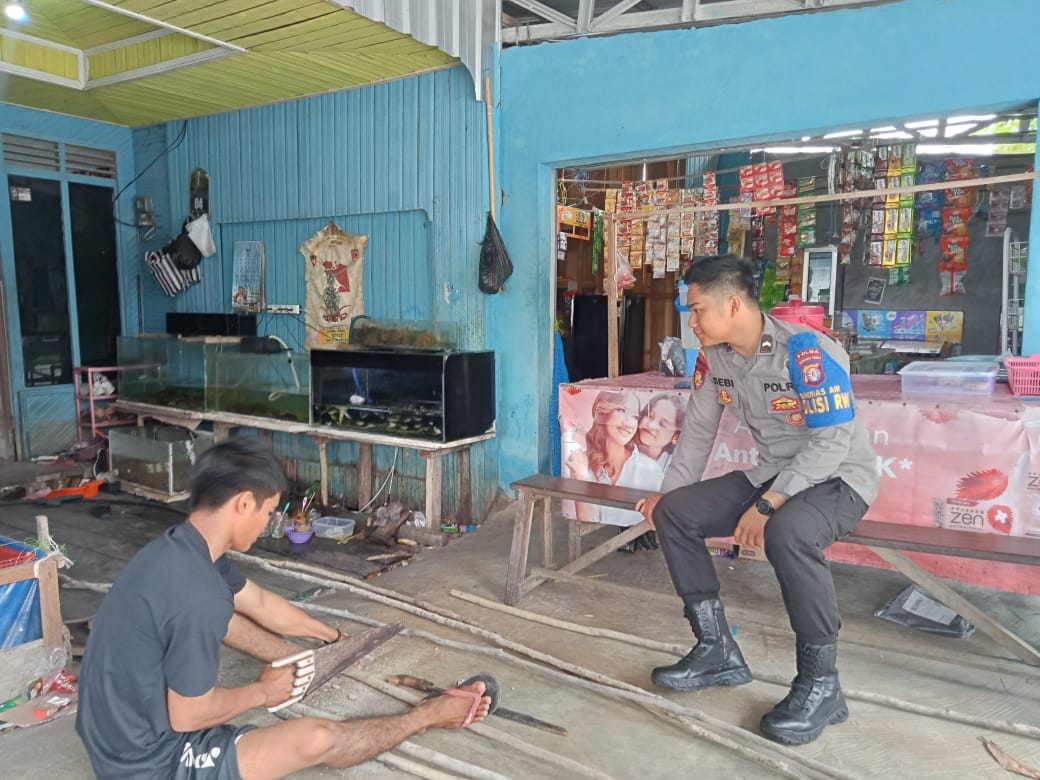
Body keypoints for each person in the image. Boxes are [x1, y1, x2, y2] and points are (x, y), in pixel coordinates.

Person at [76, 439, 492, 779]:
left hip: (108, 732)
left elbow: (255, 601)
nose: (270, 522)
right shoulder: (196, 596)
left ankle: (305, 659)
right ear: (243, 503)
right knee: (315, 739)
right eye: (269, 511)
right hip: (146, 763)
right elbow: (188, 716)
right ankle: (430, 714)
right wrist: (262, 692)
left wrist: (327, 639)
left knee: (225, 615)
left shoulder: (181, 549)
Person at [636, 255, 878, 746]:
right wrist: (666, 495)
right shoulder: (716, 357)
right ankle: (716, 651)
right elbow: (698, 433)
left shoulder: (808, 350)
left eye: (698, 309)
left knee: (789, 534)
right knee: (674, 514)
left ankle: (821, 685)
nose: (692, 321)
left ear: (731, 303)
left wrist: (768, 505)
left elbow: (832, 442)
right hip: (771, 474)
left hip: (838, 479)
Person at [565, 389, 661, 526]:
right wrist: (582, 477)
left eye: (634, 416)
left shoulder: (651, 470)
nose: (628, 423)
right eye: (622, 410)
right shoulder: (582, 462)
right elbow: (586, 520)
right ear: (602, 414)